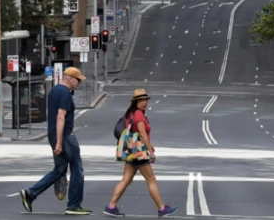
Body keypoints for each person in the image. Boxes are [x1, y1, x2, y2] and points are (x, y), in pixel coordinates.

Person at [20, 67, 92, 216]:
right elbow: (60, 117)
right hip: (65, 136)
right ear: (70, 78)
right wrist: (60, 142)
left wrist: (56, 140)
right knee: (77, 169)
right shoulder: (65, 94)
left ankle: (30, 193)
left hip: (53, 134)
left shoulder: (54, 91)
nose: (79, 83)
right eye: (78, 80)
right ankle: (74, 205)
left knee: (60, 170)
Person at [103, 89, 178, 218]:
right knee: (151, 180)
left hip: (131, 152)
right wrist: (150, 151)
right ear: (135, 102)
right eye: (141, 100)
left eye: (145, 100)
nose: (144, 103)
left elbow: (137, 134)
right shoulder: (138, 114)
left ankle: (111, 206)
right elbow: (142, 134)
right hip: (138, 153)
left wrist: (150, 145)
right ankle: (161, 209)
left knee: (126, 179)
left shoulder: (131, 114)